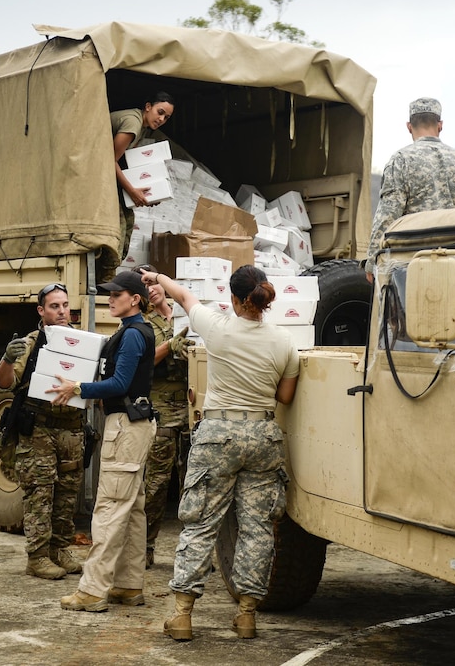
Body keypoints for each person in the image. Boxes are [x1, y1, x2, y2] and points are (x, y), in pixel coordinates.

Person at [139, 265, 300, 641]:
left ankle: (182, 616)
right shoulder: (284, 341)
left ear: (233, 298)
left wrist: (156, 278)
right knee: (258, 528)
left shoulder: (217, 327)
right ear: (263, 297)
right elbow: (286, 397)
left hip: (218, 436)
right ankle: (246, 616)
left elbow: (181, 295)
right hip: (263, 436)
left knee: (201, 523)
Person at [49, 270, 156, 613]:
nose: (110, 299)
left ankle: (93, 590)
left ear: (135, 299)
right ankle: (127, 585)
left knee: (109, 508)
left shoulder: (132, 336)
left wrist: (78, 388)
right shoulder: (130, 332)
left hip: (126, 426)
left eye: (117, 294)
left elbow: (120, 384)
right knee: (133, 509)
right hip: (134, 424)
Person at [0, 282, 85, 580]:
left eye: (65, 305)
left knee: (68, 494)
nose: (61, 311)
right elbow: (2, 384)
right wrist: (7, 359)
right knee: (39, 495)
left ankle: (60, 549)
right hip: (40, 431)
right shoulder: (31, 343)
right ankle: (37, 556)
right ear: (41, 311)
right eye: (54, 306)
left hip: (71, 429)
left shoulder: (81, 342)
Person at [366, 97, 455, 282]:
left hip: (412, 266)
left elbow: (387, 215)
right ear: (440, 125)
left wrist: (372, 259)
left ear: (409, 126)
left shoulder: (401, 160)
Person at [133, 264, 191, 568]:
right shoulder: (141, 324)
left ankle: (191, 553)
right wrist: (171, 345)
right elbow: (144, 360)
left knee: (192, 486)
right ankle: (145, 547)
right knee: (155, 485)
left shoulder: (185, 312)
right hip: (162, 411)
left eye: (152, 281)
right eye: (143, 285)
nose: (151, 288)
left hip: (191, 406)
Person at [98, 93, 176, 284]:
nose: (161, 119)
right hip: (98, 178)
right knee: (118, 227)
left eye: (166, 117)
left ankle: (107, 277)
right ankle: (104, 280)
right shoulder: (133, 123)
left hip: (107, 177)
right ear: (148, 106)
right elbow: (110, 160)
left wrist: (148, 193)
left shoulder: (142, 128)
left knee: (128, 222)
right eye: (160, 112)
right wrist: (132, 191)